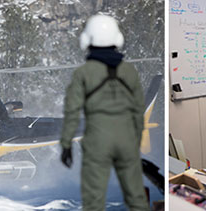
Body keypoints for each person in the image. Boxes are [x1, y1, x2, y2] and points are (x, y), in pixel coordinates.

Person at [59, 14, 148, 211]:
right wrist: (135, 139)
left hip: (97, 140)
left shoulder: (82, 73)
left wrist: (66, 145)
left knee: (94, 201)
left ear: (87, 39)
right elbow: (138, 109)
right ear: (117, 39)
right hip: (127, 139)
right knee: (136, 198)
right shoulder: (129, 71)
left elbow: (72, 111)